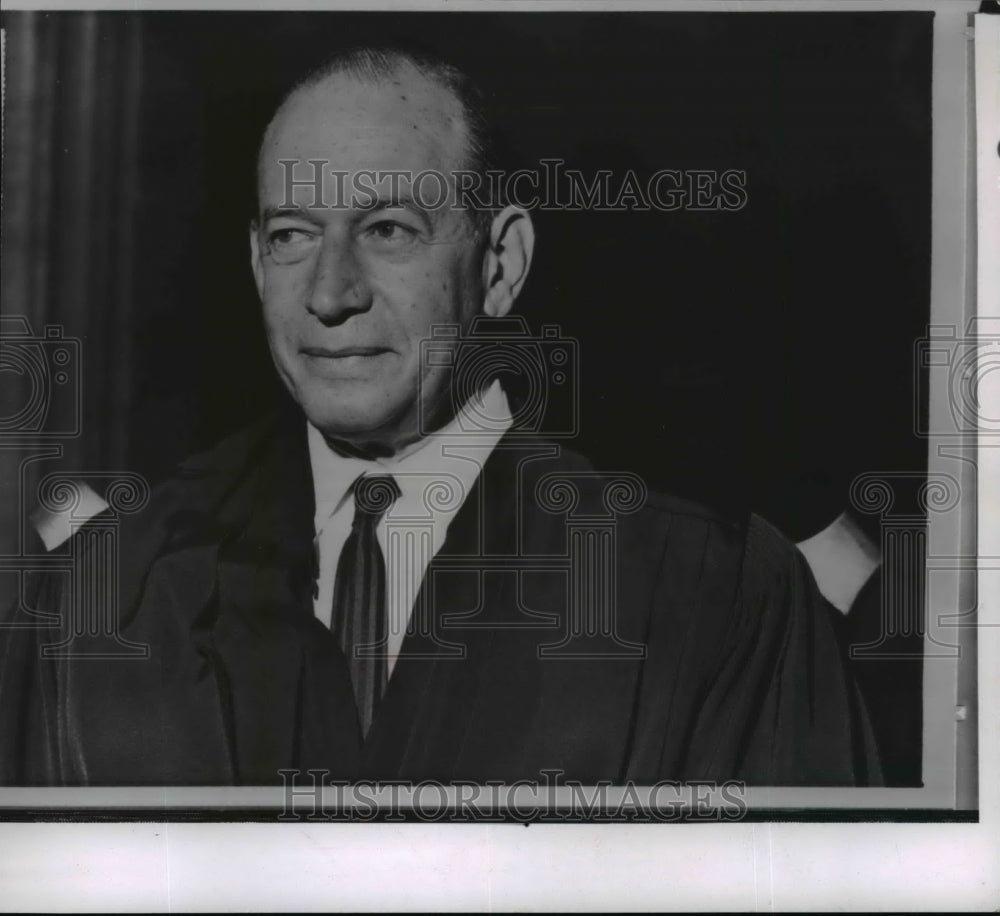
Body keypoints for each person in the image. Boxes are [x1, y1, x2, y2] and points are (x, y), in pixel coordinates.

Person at [0, 46, 881, 787]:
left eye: (387, 230)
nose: (331, 294)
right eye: (292, 235)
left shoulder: (707, 594)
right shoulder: (110, 589)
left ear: (501, 266)